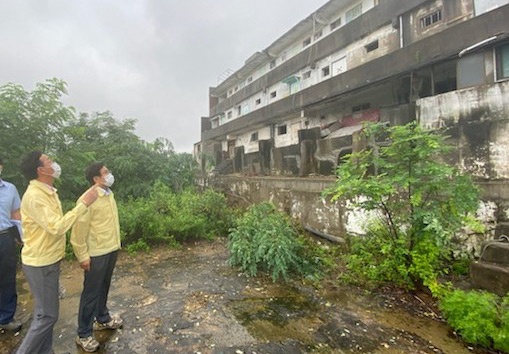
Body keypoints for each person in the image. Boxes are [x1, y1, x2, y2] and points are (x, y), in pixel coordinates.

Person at [16, 151, 98, 354]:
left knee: (44, 314)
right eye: (49, 161)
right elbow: (57, 227)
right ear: (40, 169)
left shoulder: (47, 191)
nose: (54, 163)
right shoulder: (35, 196)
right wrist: (83, 205)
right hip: (40, 263)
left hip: (48, 260)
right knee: (47, 316)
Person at [71, 162, 123, 353]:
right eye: (105, 172)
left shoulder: (108, 195)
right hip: (96, 253)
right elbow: (78, 232)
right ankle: (83, 333)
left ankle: (103, 318)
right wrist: (82, 256)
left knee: (104, 286)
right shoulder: (88, 199)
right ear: (96, 178)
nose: (109, 174)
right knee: (91, 293)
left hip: (110, 249)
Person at [0, 157, 22, 333]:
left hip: (5, 237)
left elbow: (16, 214)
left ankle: (6, 317)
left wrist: (22, 237)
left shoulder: (10, 189)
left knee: (7, 278)